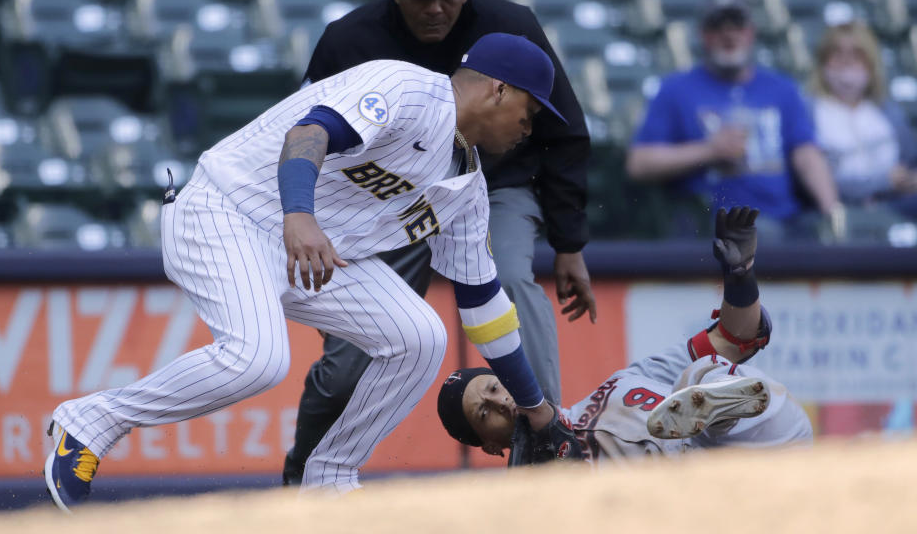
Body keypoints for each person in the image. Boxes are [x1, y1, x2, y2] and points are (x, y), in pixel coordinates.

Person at [43, 33, 567, 510]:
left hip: (308, 252)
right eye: (531, 108)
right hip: (229, 210)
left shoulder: (469, 190)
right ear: (499, 89)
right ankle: (90, 423)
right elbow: (310, 131)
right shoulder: (409, 89)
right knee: (258, 360)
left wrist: (535, 406)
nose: (531, 126)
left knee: (421, 337)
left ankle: (331, 476)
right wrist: (300, 213)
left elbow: (483, 305)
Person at [282, 0, 595, 484]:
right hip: (383, 201)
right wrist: (306, 214)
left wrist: (570, 243)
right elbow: (303, 133)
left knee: (509, 285)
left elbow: (565, 134)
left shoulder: (511, 29)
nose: (434, 6)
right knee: (351, 355)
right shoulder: (347, 40)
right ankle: (303, 476)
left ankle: (545, 445)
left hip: (489, 185)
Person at [437, 206, 813, 462]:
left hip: (765, 439)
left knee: (704, 370)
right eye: (484, 412)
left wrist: (741, 274)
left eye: (492, 389)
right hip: (718, 499)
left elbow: (736, 338)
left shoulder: (626, 381)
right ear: (488, 446)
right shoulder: (535, 491)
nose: (502, 403)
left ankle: (719, 407)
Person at [626, 0, 843, 241]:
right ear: (703, 35)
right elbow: (639, 164)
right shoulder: (675, 90)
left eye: (737, 25)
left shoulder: (782, 89)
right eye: (717, 26)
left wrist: (833, 212)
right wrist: (708, 150)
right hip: (710, 229)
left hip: (784, 223)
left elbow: (806, 155)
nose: (728, 35)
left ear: (751, 32)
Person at [809, 21, 917, 227]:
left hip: (897, 205)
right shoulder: (810, 111)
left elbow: (911, 161)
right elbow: (816, 183)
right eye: (836, 53)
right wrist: (884, 182)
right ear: (823, 62)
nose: (846, 61)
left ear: (871, 63)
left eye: (857, 54)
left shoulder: (887, 110)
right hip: (839, 212)